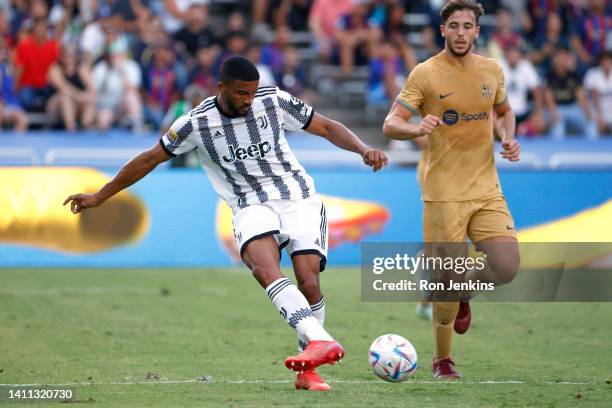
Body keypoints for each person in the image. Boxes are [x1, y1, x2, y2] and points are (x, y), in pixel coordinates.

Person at [64, 56, 388, 391]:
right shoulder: (195, 124)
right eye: (241, 93)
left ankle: (308, 370)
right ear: (222, 88)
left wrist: (363, 150)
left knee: (309, 282)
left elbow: (326, 126)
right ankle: (320, 340)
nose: (249, 100)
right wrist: (101, 195)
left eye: (252, 92)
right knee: (264, 269)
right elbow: (149, 158)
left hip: (296, 196)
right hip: (248, 203)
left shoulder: (273, 101)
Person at [382, 0, 520, 380]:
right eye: (454, 25)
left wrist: (508, 137)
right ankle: (443, 360)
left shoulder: (492, 70)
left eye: (467, 26)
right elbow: (391, 124)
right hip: (442, 191)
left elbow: (505, 111)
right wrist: (415, 129)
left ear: (477, 31)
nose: (460, 33)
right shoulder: (425, 74)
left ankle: (465, 292)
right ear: (442, 30)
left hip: (486, 187)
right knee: (445, 279)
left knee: (507, 266)